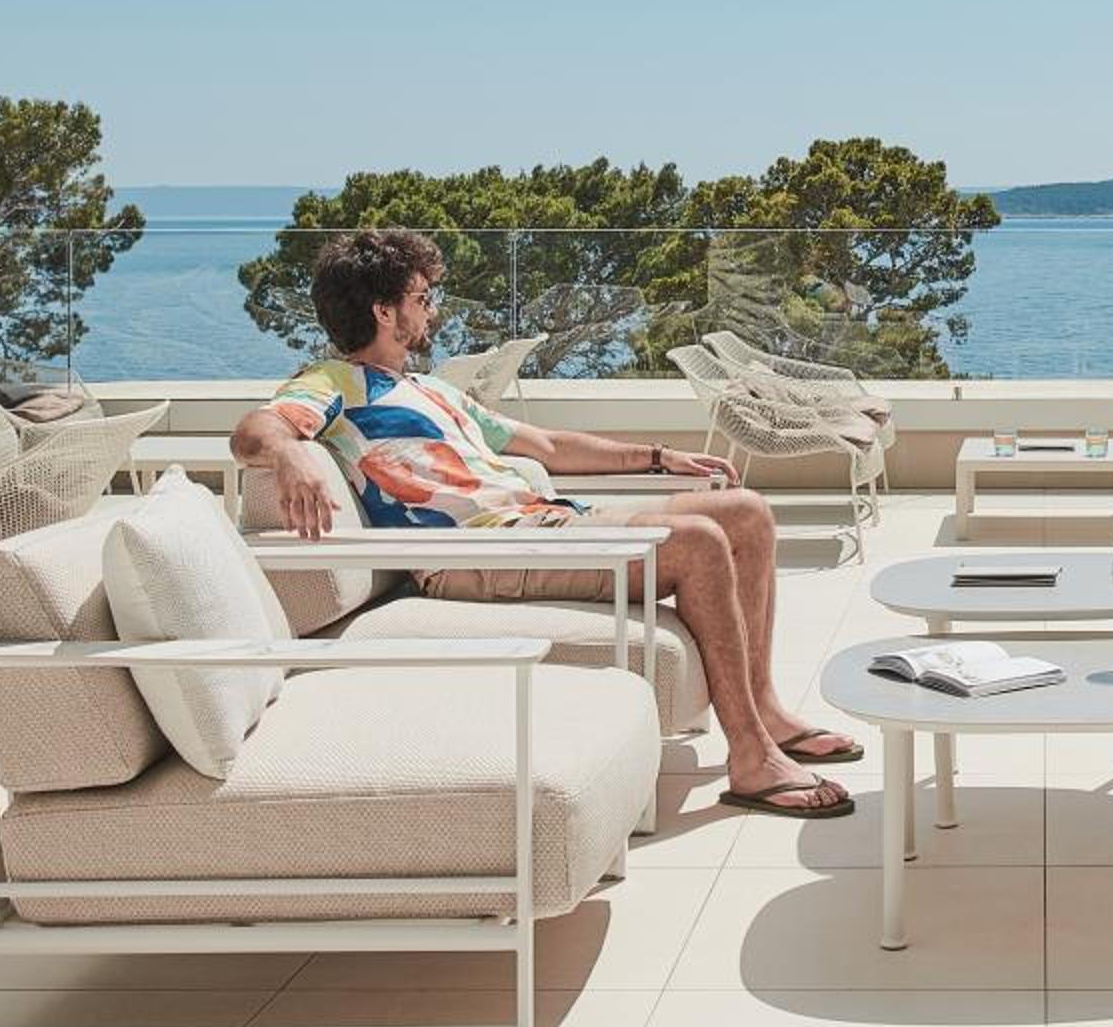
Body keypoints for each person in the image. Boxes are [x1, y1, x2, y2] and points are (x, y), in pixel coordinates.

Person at [231, 227, 857, 819]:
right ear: (384, 312)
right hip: (477, 554)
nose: (432, 312)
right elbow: (254, 430)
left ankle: (768, 712)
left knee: (746, 513)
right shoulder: (335, 382)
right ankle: (751, 758)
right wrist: (289, 454)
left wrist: (658, 456)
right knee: (696, 543)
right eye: (421, 299)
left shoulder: (431, 390)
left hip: (543, 525)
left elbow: (548, 446)